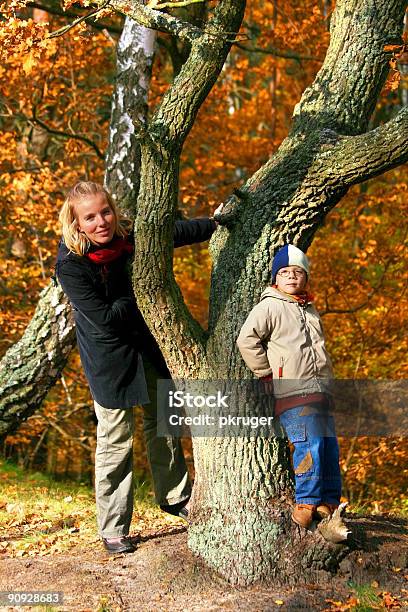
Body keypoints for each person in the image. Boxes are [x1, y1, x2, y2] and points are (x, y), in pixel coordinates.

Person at [56, 181, 217, 553]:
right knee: (115, 439)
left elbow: (172, 234)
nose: (101, 222)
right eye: (90, 217)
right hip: (109, 359)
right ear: (77, 223)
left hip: (147, 346)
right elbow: (107, 319)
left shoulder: (128, 235)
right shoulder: (70, 265)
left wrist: (214, 223)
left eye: (105, 211)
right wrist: (141, 287)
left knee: (164, 418)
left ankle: (176, 498)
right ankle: (113, 528)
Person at [236, 244, 342, 529]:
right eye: (285, 272)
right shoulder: (270, 306)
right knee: (309, 445)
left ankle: (329, 501)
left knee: (329, 446)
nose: (292, 277)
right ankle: (306, 500)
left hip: (320, 390)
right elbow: (246, 340)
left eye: (298, 272)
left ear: (306, 277)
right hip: (293, 392)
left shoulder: (310, 309)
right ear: (275, 279)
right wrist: (267, 374)